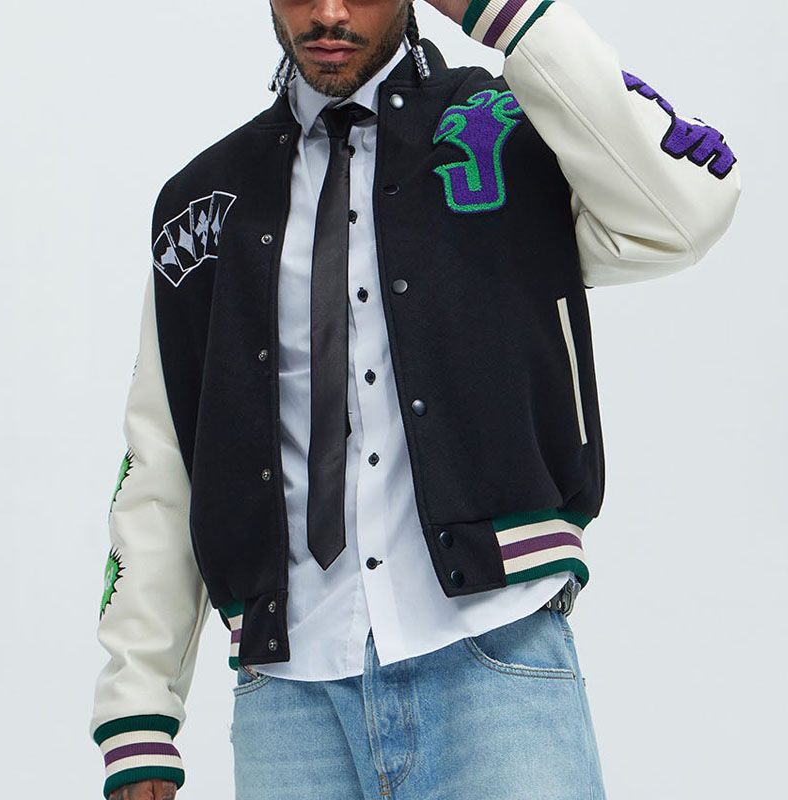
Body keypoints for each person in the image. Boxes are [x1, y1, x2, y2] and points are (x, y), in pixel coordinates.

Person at [89, 0, 741, 798]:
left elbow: (688, 212)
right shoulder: (205, 201)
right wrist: (138, 711)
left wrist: (507, 17)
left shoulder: (512, 128)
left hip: (493, 660)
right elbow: (164, 459)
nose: (329, 12)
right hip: (288, 702)